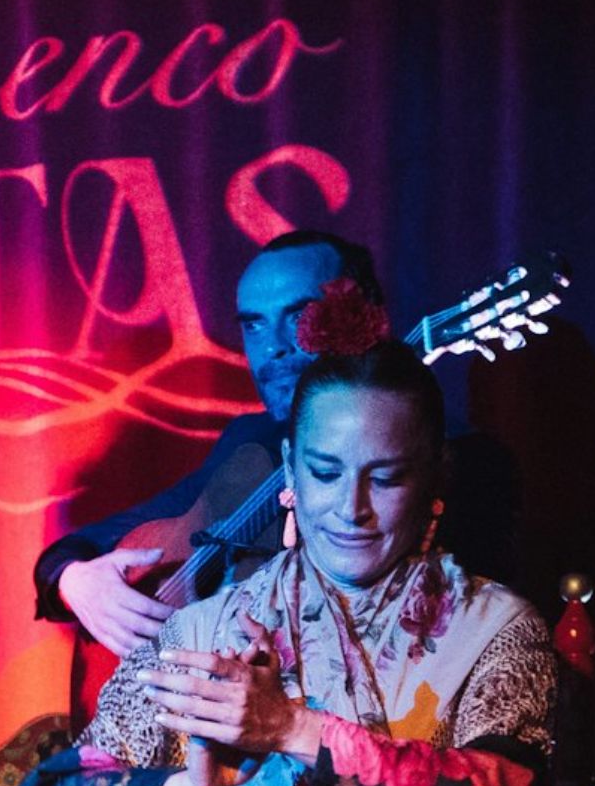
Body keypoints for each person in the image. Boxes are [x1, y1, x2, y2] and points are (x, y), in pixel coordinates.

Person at [0, 332, 554, 786]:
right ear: (290, 468)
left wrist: (291, 729)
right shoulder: (200, 634)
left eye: (385, 479)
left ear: (435, 477)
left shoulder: (494, 630)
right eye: (325, 473)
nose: (351, 507)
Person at [33, 231, 383, 657]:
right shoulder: (251, 440)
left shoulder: (435, 455)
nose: (272, 347)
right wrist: (77, 582)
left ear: (364, 315)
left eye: (298, 316)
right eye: (253, 325)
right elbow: (83, 546)